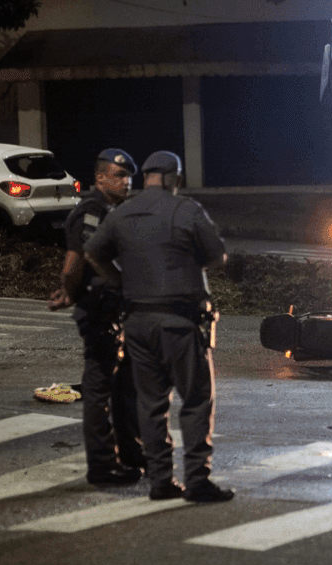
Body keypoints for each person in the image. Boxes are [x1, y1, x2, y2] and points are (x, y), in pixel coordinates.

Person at [84, 150, 233, 503]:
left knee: (151, 403)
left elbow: (92, 253)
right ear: (172, 178)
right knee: (196, 400)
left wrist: (119, 281)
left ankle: (160, 481)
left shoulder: (120, 214)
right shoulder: (186, 210)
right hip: (179, 323)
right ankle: (197, 480)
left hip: (137, 323)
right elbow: (217, 256)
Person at [48, 148, 144, 485]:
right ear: (100, 177)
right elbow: (80, 257)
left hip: (111, 310)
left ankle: (130, 455)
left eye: (128, 176)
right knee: (100, 388)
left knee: (120, 387)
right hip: (99, 310)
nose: (125, 182)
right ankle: (103, 466)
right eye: (118, 175)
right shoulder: (92, 210)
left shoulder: (110, 211)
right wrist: (70, 290)